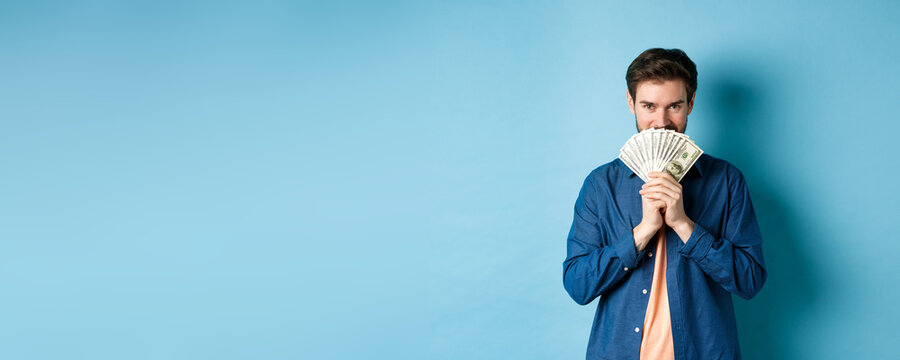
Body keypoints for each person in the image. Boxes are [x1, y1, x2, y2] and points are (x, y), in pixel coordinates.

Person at [562, 48, 767, 360]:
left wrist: (685, 226)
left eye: (674, 106)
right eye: (649, 106)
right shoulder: (600, 186)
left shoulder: (726, 181)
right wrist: (643, 232)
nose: (661, 122)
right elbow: (578, 285)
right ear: (631, 103)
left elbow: (750, 280)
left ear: (691, 103)